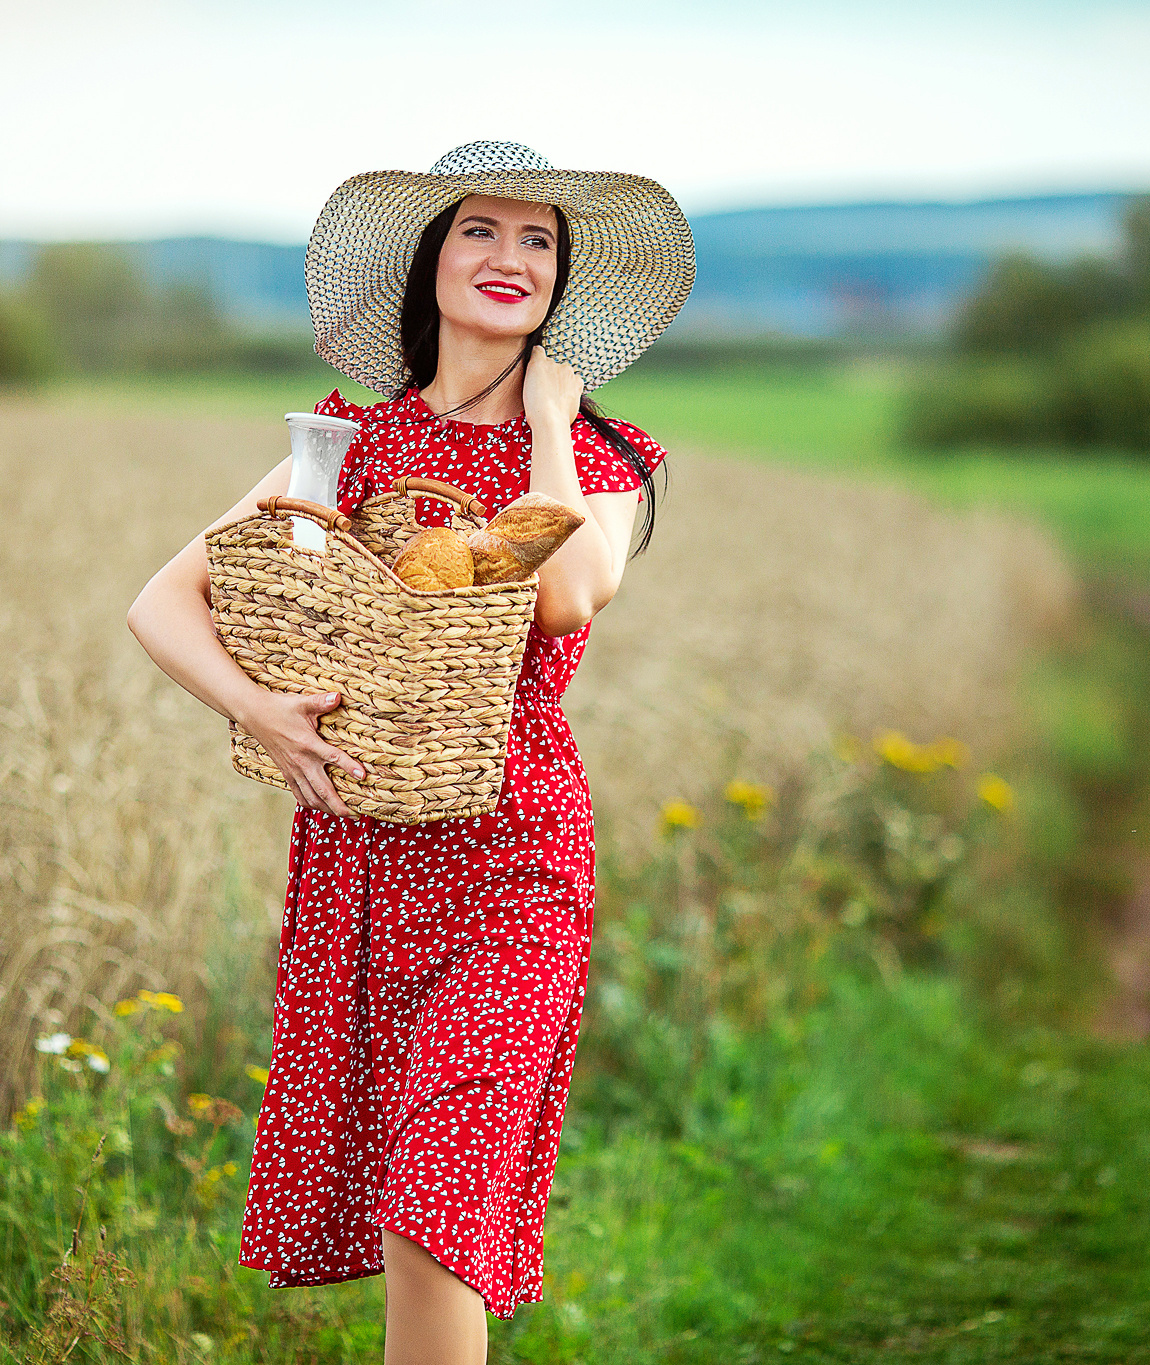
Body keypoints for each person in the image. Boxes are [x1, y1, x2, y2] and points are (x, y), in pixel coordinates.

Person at [126, 141, 694, 1365]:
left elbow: (568, 597)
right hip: (363, 867)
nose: (510, 257)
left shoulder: (599, 458)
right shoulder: (344, 443)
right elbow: (162, 602)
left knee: (436, 1207)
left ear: (560, 282)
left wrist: (548, 422)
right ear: (429, 259)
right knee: (401, 1205)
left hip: (514, 863)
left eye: (538, 240)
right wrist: (258, 710)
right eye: (479, 230)